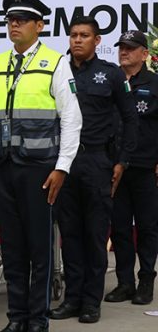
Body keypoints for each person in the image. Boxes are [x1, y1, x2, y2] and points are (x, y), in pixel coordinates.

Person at [0, 0, 82, 332]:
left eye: (22, 20)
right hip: (4, 168)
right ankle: (16, 318)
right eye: (10, 20)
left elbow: (72, 119)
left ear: (39, 26)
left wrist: (61, 168)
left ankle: (38, 320)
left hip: (39, 170)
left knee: (39, 248)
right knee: (12, 249)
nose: (14, 25)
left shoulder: (55, 62)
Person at [50, 17, 138, 323]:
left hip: (97, 162)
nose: (77, 40)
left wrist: (122, 161)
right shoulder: (58, 71)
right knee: (70, 234)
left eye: (84, 35)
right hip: (64, 163)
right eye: (73, 35)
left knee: (95, 234)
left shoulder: (110, 74)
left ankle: (91, 301)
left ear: (97, 40)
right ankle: (72, 299)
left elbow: (130, 119)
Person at [104, 30, 158, 305]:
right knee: (120, 228)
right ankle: (125, 283)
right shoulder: (112, 82)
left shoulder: (155, 83)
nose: (124, 52)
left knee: (147, 227)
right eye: (121, 47)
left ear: (144, 54)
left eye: (130, 48)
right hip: (114, 167)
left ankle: (146, 280)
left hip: (145, 166)